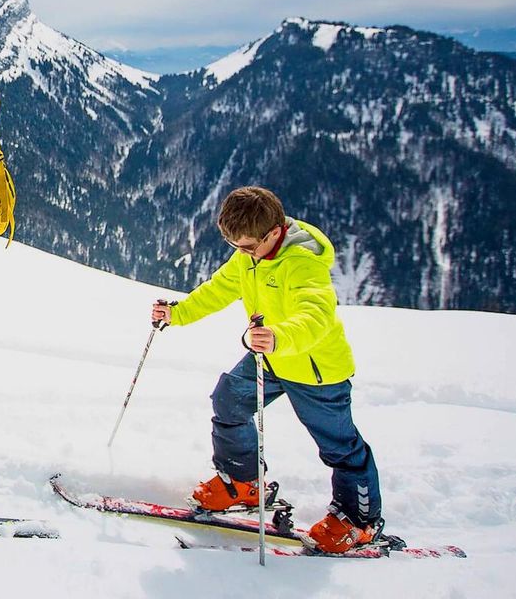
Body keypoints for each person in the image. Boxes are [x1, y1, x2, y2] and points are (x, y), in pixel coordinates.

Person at [151, 186, 383, 553]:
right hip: (271, 357)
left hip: (314, 368)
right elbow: (219, 289)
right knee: (228, 400)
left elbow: (316, 315)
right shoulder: (250, 256)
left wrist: (279, 336)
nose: (240, 254)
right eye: (235, 247)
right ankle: (243, 482)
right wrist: (177, 314)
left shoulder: (303, 263)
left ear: (274, 233)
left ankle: (359, 522)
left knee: (340, 446)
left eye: (246, 246)